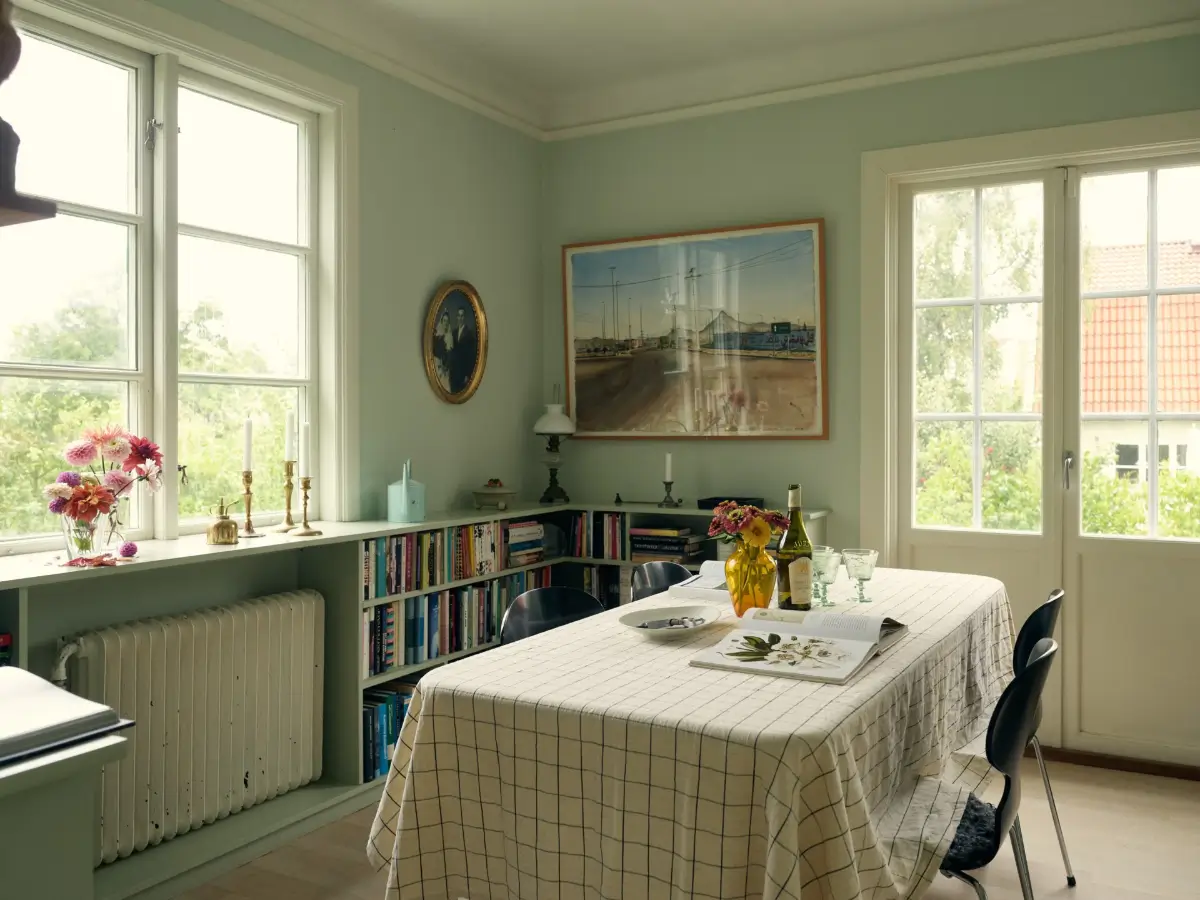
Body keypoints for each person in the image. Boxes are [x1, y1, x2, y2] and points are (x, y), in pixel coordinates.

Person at [449, 303, 477, 393]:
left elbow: (471, 357)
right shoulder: (453, 333)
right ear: (456, 317)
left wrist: (467, 375)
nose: (460, 318)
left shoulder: (469, 334)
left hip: (463, 374)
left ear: (464, 317)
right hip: (453, 373)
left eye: (462, 316)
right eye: (458, 316)